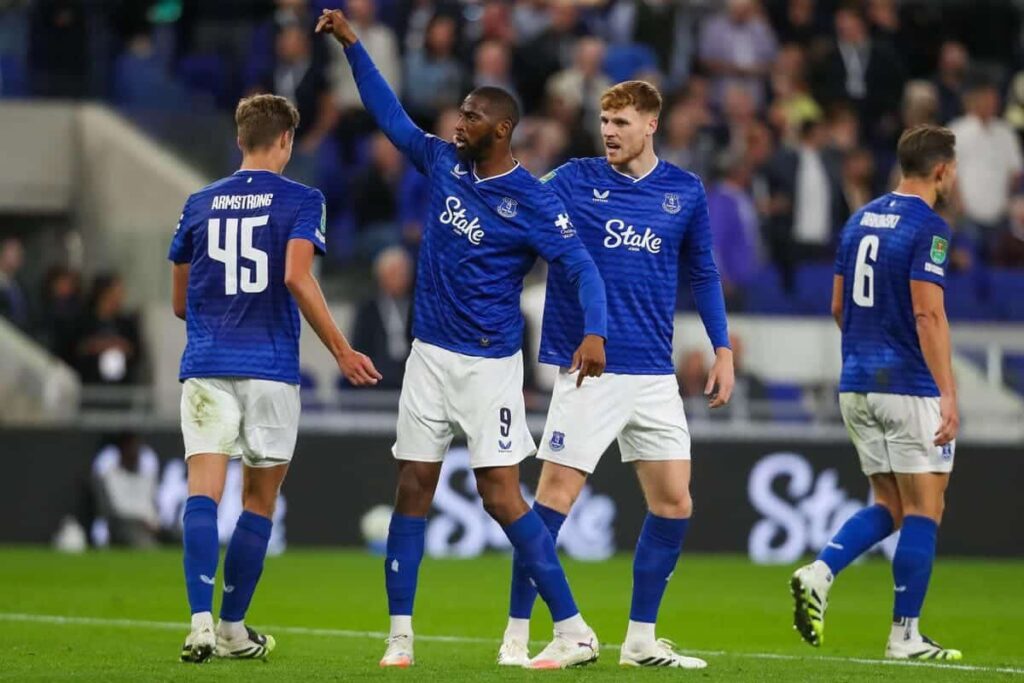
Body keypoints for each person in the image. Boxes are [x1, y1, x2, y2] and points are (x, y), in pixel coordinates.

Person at [317, 9, 609, 670]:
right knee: (413, 484)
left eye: (472, 116)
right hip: (428, 355)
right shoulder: (443, 162)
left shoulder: (533, 201)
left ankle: (574, 627)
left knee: (501, 496)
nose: (458, 123)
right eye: (460, 114)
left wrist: (595, 331)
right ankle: (399, 636)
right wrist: (353, 45)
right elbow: (391, 116)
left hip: (488, 365)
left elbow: (582, 268)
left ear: (501, 129)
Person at [497, 80, 734, 669]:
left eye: (621, 122)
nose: (608, 132)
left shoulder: (684, 190)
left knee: (674, 502)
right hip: (590, 371)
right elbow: (518, 207)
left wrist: (722, 348)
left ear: (651, 124)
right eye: (604, 121)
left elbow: (703, 274)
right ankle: (518, 634)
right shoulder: (573, 180)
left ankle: (640, 641)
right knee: (551, 503)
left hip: (653, 372)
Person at [169, 93, 380, 663]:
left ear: (240, 139)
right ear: (286, 140)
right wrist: (341, 350)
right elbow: (296, 276)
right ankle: (233, 627)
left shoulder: (198, 203)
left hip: (208, 366)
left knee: (202, 493)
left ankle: (199, 622)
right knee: (258, 502)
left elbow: (180, 304)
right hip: (270, 370)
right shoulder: (303, 199)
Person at [790, 124, 962, 661]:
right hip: (908, 386)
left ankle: (820, 572)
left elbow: (838, 306)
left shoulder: (858, 219)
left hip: (857, 383)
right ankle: (905, 635)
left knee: (890, 504)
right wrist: (948, 393)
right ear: (941, 170)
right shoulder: (929, 227)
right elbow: (928, 314)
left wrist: (867, 352)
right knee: (925, 509)